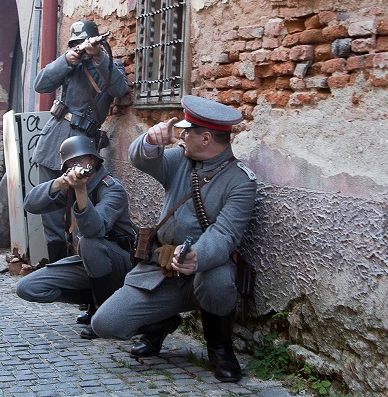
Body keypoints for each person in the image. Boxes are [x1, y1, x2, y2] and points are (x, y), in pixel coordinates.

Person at [91, 95, 257, 382]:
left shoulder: (241, 181)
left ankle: (219, 349)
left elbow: (226, 233)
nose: (181, 136)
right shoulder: (180, 159)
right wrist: (150, 142)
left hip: (201, 274)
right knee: (105, 324)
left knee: (218, 278)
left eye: (187, 131)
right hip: (160, 269)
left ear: (205, 138)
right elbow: (140, 160)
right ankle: (161, 322)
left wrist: (198, 258)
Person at [15, 136, 135, 339]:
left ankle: (103, 313)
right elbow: (31, 205)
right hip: (91, 262)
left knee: (90, 243)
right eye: (70, 162)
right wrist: (60, 183)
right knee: (28, 288)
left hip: (122, 263)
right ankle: (95, 300)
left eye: (81, 160)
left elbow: (94, 231)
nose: (76, 165)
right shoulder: (71, 187)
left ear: (93, 159)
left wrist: (80, 192)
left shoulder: (112, 189)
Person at [31, 19, 129, 263]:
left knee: (82, 205)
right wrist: (67, 59)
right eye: (76, 44)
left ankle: (79, 263)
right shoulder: (68, 65)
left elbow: (118, 90)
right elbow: (41, 84)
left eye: (83, 43)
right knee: (50, 211)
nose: (81, 48)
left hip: (83, 144)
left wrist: (98, 57)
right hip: (53, 139)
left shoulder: (109, 65)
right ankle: (55, 265)